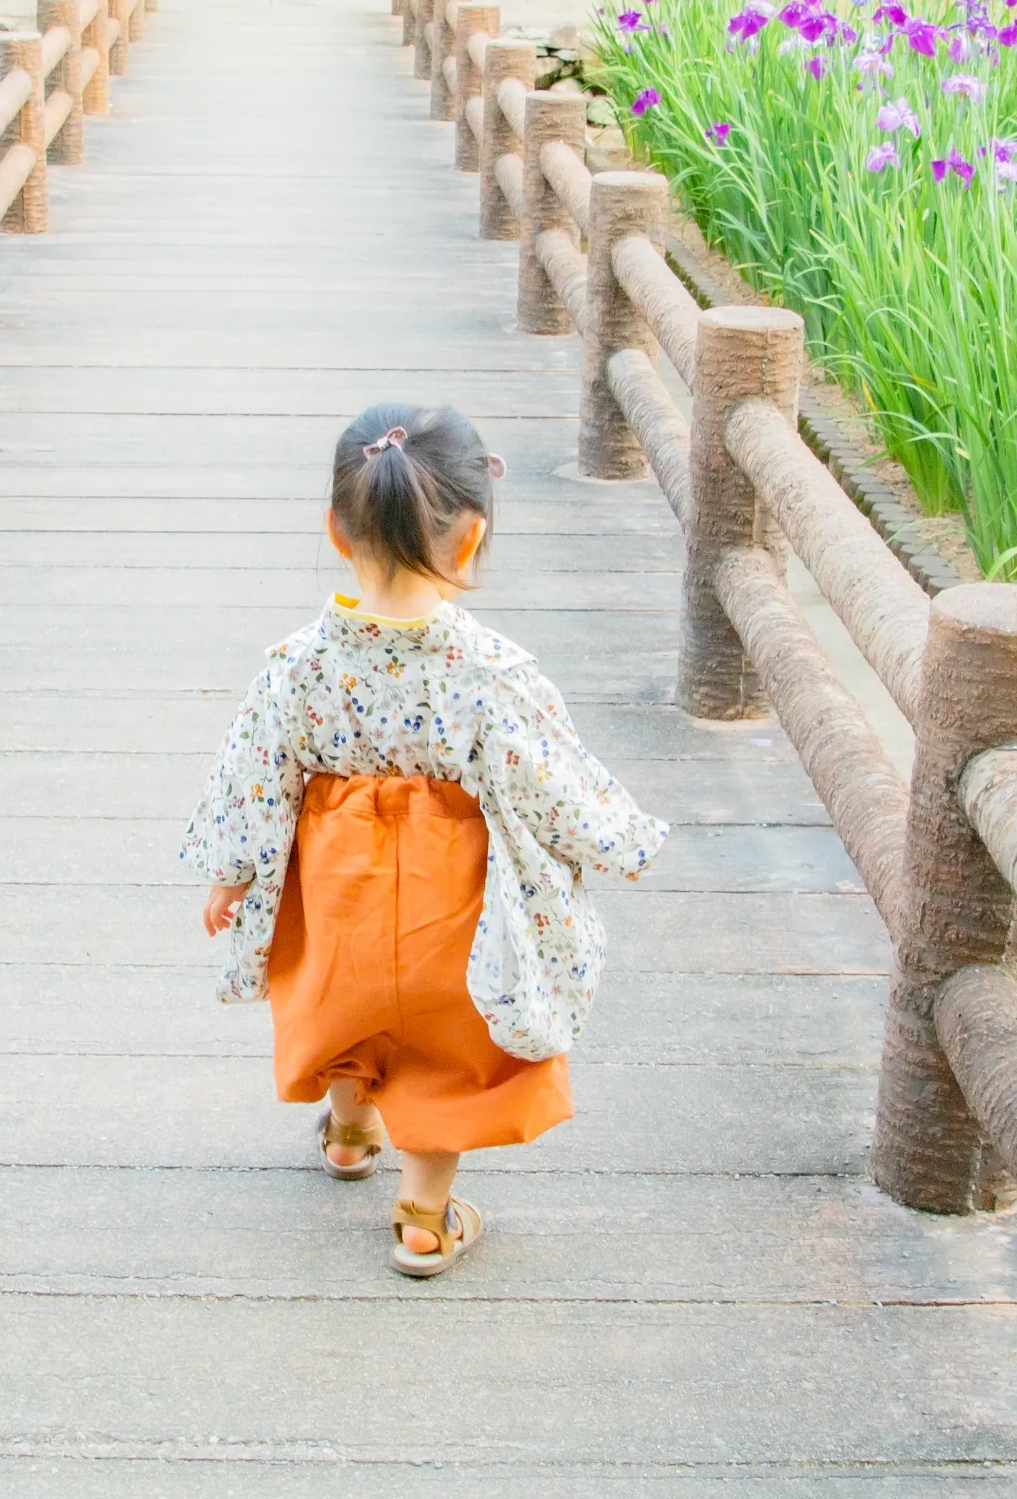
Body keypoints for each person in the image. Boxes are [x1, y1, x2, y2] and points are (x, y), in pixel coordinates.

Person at [184, 405, 667, 1278]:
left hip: (338, 891)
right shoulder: (491, 675)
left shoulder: (296, 666)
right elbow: (552, 778)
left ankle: (348, 1131)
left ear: (336, 529)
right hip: (454, 905)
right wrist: (620, 840)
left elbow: (252, 777)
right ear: (471, 537)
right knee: (444, 1050)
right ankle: (421, 1215)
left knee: (347, 1007)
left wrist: (231, 874)